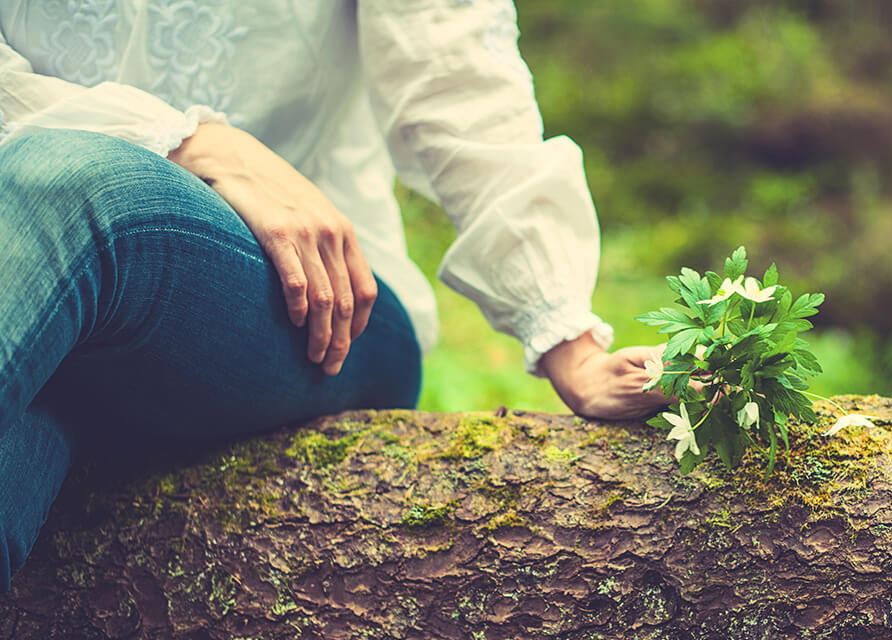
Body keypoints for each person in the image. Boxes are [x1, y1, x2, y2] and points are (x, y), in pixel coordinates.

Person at [0, 0, 667, 591]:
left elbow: (456, 79)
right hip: (39, 299)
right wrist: (197, 143)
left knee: (64, 179)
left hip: (319, 305)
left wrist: (565, 336)